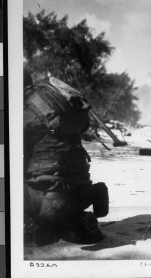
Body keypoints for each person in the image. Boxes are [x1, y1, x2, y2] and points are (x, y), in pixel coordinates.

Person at [23, 72, 109, 246]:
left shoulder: (25, 111)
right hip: (80, 193)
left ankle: (47, 221)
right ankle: (89, 197)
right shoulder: (57, 104)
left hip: (50, 195)